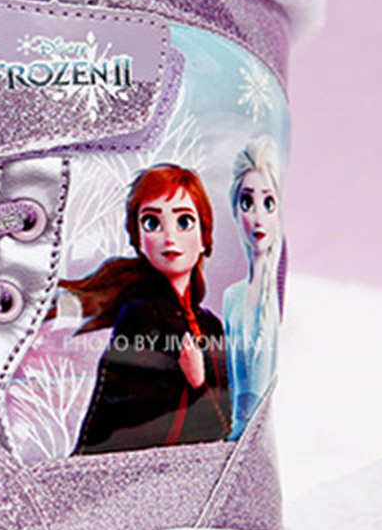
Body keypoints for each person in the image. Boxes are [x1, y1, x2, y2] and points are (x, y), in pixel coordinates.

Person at [61, 164, 230, 453]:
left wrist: (198, 381)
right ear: (138, 239)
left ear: (204, 237)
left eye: (184, 221)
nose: (169, 237)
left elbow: (226, 427)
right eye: (152, 223)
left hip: (197, 469)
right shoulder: (141, 314)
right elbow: (122, 420)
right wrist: (196, 383)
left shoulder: (210, 326)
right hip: (138, 471)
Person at [223, 137, 282, 438]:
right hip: (235, 439)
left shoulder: (278, 294)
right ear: (236, 210)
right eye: (247, 203)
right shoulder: (232, 297)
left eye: (269, 203)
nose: (258, 218)